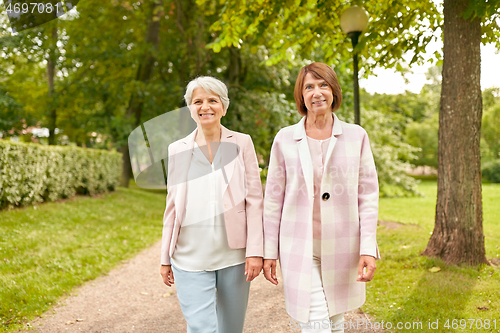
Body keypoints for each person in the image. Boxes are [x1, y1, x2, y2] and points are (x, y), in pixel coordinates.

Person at [262, 62, 379, 333]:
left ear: (334, 91)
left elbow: (368, 196)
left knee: (336, 323)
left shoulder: (356, 136)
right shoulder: (284, 139)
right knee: (316, 324)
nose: (317, 92)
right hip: (298, 247)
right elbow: (272, 200)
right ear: (301, 95)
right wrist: (269, 251)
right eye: (309, 87)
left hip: (342, 247)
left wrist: (367, 249)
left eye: (323, 85)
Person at [160, 76, 264, 333]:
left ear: (223, 107)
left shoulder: (242, 142)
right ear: (191, 108)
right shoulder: (176, 149)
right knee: (201, 328)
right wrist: (165, 257)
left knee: (230, 329)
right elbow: (172, 206)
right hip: (189, 258)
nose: (205, 106)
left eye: (212, 100)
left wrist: (255, 251)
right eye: (198, 101)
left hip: (234, 257)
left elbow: (255, 201)